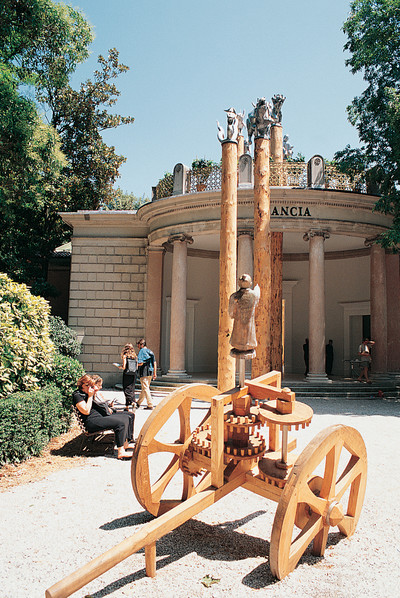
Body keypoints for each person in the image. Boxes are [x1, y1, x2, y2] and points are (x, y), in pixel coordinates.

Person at [72, 374, 134, 459]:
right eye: (89, 386)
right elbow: (86, 411)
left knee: (126, 417)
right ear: (83, 385)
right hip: (92, 422)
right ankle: (121, 452)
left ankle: (124, 445)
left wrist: (94, 394)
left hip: (99, 418)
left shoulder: (87, 393)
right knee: (121, 422)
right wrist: (90, 396)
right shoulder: (77, 395)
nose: (92, 388)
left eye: (92, 386)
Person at [91, 374, 135, 442]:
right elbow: (99, 406)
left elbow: (102, 403)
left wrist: (109, 404)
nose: (101, 387)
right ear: (94, 385)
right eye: (99, 385)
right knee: (126, 417)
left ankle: (129, 438)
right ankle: (125, 441)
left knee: (131, 414)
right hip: (105, 414)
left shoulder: (98, 394)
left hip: (108, 411)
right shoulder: (92, 395)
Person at [136, 338, 156, 409]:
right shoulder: (150, 351)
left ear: (141, 344)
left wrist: (133, 365)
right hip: (150, 371)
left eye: (138, 345)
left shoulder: (142, 351)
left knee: (145, 388)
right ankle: (138, 403)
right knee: (144, 388)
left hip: (144, 371)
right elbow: (154, 362)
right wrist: (154, 373)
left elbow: (140, 363)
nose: (137, 346)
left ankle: (150, 404)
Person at [116, 343, 137, 408]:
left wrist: (120, 366)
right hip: (133, 373)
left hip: (127, 374)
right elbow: (136, 366)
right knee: (132, 389)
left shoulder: (125, 356)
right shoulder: (135, 356)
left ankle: (132, 402)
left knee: (126, 389)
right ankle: (127, 406)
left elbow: (124, 366)